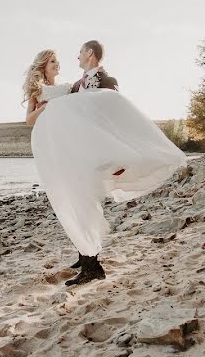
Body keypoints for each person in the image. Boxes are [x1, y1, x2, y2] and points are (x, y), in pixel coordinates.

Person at [25, 40, 188, 287]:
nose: (64, 62)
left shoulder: (104, 82)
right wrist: (49, 108)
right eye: (54, 61)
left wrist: (118, 156)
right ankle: (85, 255)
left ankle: (92, 262)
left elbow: (113, 120)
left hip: (93, 154)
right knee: (78, 199)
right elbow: (38, 119)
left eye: (78, 53)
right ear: (43, 66)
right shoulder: (74, 86)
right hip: (69, 150)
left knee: (85, 201)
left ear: (89, 53)